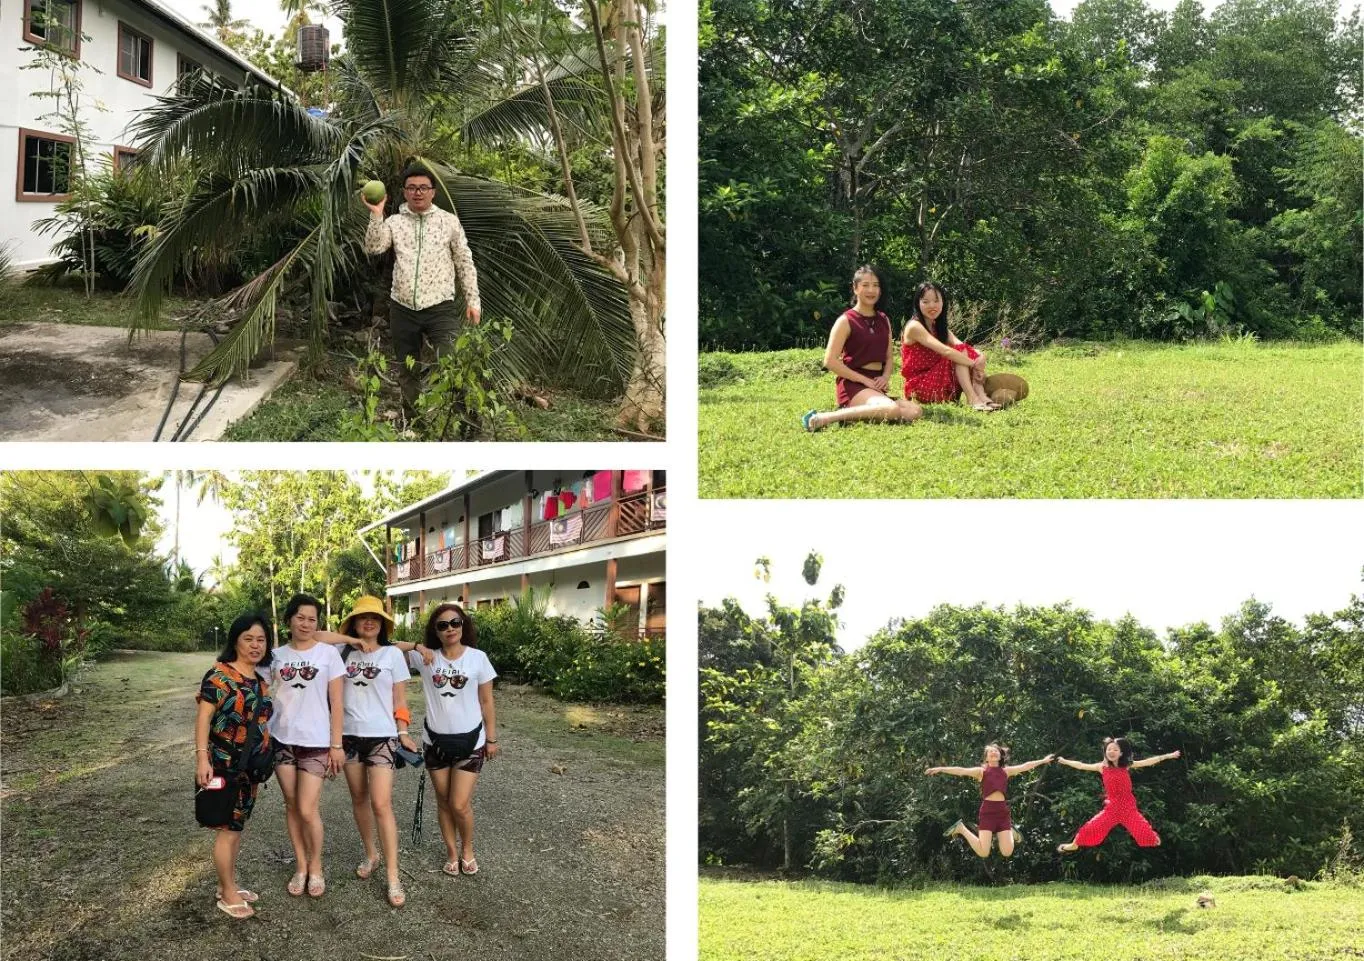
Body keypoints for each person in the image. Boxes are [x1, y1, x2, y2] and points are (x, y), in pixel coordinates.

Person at [310, 596, 428, 908]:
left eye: (375, 618)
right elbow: (315, 636)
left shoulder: (392, 655)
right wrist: (352, 639)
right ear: (354, 622)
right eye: (362, 618)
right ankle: (371, 854)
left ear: (383, 624)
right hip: (348, 737)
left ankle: (392, 874)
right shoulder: (340, 651)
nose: (369, 622)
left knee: (381, 803)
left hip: (382, 737)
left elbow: (399, 699)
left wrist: (403, 733)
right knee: (359, 799)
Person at [362, 163, 482, 415]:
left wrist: (473, 300)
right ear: (404, 192)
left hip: (440, 307)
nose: (418, 192)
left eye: (423, 188)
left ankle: (464, 424)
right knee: (407, 370)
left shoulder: (448, 222)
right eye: (412, 188)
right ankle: (415, 423)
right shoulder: (394, 222)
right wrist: (376, 213)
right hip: (402, 308)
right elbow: (374, 247)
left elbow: (464, 261)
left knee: (451, 364)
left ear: (433, 191)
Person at [194, 613, 275, 919]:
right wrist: (202, 758)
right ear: (235, 641)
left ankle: (227, 884)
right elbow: (203, 718)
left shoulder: (259, 678)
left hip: (249, 769)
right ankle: (227, 894)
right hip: (223, 765)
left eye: (261, 640)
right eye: (248, 639)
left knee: (236, 827)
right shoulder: (219, 676)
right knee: (227, 829)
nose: (255, 645)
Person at [266, 593, 346, 897]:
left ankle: (317, 866)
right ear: (289, 620)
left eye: (312, 619)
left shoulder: (328, 655)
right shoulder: (275, 656)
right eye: (300, 617)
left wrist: (336, 745)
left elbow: (337, 702)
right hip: (282, 739)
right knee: (290, 805)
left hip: (316, 741)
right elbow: (256, 684)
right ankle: (300, 866)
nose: (306, 623)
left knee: (307, 808)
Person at [410, 602, 499, 876]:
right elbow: (387, 644)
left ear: (463, 626)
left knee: (459, 803)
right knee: (443, 800)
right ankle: (451, 852)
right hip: (434, 741)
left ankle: (468, 850)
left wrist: (492, 739)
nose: (450, 629)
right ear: (435, 632)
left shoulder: (477, 658)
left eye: (455, 623)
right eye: (442, 625)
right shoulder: (426, 659)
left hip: (471, 741)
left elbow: (487, 701)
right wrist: (416, 646)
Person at [802, 265, 922, 431]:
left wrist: (885, 377)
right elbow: (829, 361)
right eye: (865, 285)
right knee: (892, 410)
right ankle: (826, 417)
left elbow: (888, 357)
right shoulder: (845, 321)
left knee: (914, 411)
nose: (871, 290)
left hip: (875, 384)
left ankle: (858, 414)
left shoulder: (883, 319)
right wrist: (865, 380)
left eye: (875, 285)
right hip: (853, 384)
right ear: (855, 288)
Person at [926, 744, 1054, 858]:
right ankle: (961, 829)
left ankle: (1012, 832)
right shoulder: (981, 772)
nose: (993, 752)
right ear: (986, 758)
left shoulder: (1006, 771)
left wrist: (1043, 761)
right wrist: (941, 769)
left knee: (1007, 852)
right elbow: (961, 771)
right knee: (983, 852)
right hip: (987, 812)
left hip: (1002, 812)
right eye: (990, 751)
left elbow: (1025, 766)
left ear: (1000, 756)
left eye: (996, 751)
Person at [1056, 737, 1181, 853]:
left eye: (1115, 749)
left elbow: (1148, 762)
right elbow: (1081, 766)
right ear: (1105, 752)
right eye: (1109, 749)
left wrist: (1168, 756)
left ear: (1121, 753)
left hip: (1128, 808)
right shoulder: (1102, 767)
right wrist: (1065, 761)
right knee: (1090, 828)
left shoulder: (1126, 765)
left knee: (1147, 835)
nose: (1111, 751)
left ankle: (1152, 838)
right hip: (1111, 809)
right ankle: (1074, 845)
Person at [901, 281, 999, 411]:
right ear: (918, 304)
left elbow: (961, 345)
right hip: (921, 387)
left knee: (968, 351)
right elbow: (946, 351)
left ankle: (981, 395)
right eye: (926, 302)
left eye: (936, 301)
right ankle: (973, 398)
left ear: (943, 302)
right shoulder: (914, 326)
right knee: (958, 354)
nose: (932, 306)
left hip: (939, 381)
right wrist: (974, 364)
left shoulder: (938, 326)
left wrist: (980, 356)